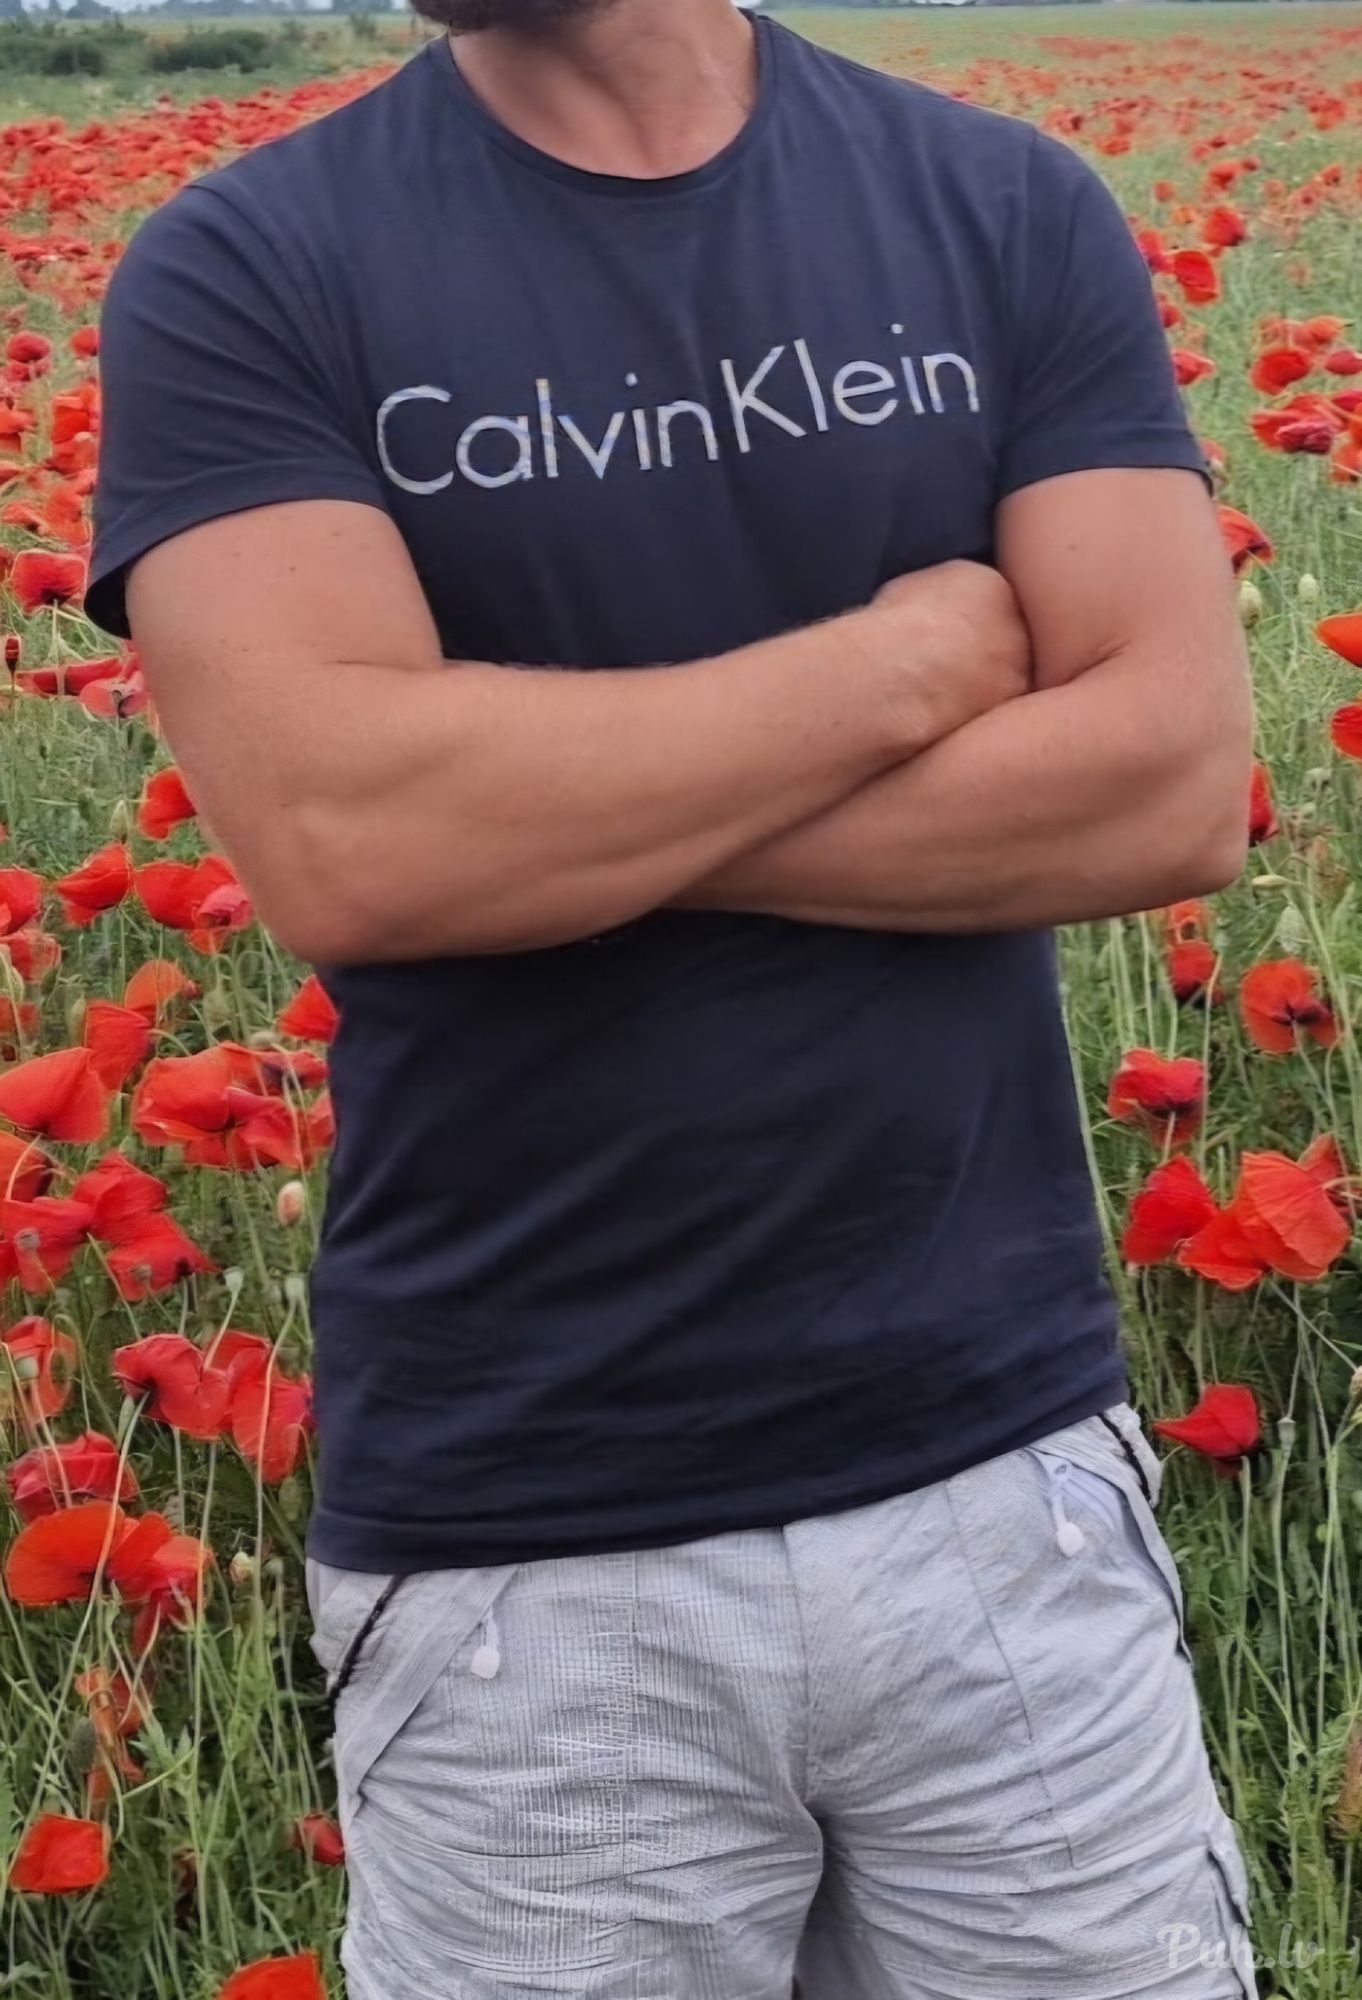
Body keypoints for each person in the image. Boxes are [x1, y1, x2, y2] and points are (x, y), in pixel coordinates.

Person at [88, 1, 1257, 1994]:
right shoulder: (249, 266)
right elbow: (354, 843)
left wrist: (552, 824)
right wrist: (896, 676)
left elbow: (1168, 783)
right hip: (527, 1561)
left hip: (1008, 1492)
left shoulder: (999, 207)